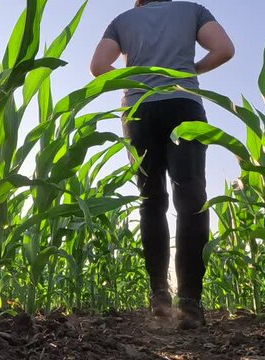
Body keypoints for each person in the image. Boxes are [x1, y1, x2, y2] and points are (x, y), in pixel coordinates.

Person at [90, 0, 234, 329]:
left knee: (151, 201)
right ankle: (190, 304)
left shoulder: (121, 21)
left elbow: (99, 66)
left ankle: (159, 297)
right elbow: (224, 49)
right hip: (184, 103)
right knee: (191, 199)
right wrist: (191, 70)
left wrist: (132, 82)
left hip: (138, 108)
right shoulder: (193, 11)